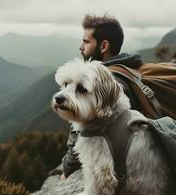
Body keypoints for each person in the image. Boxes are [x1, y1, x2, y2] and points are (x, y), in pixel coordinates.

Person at [61, 14, 144, 180]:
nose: (80, 47)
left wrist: (66, 170)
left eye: (86, 41)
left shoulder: (104, 85)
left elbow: (81, 135)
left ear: (104, 46)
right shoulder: (127, 68)